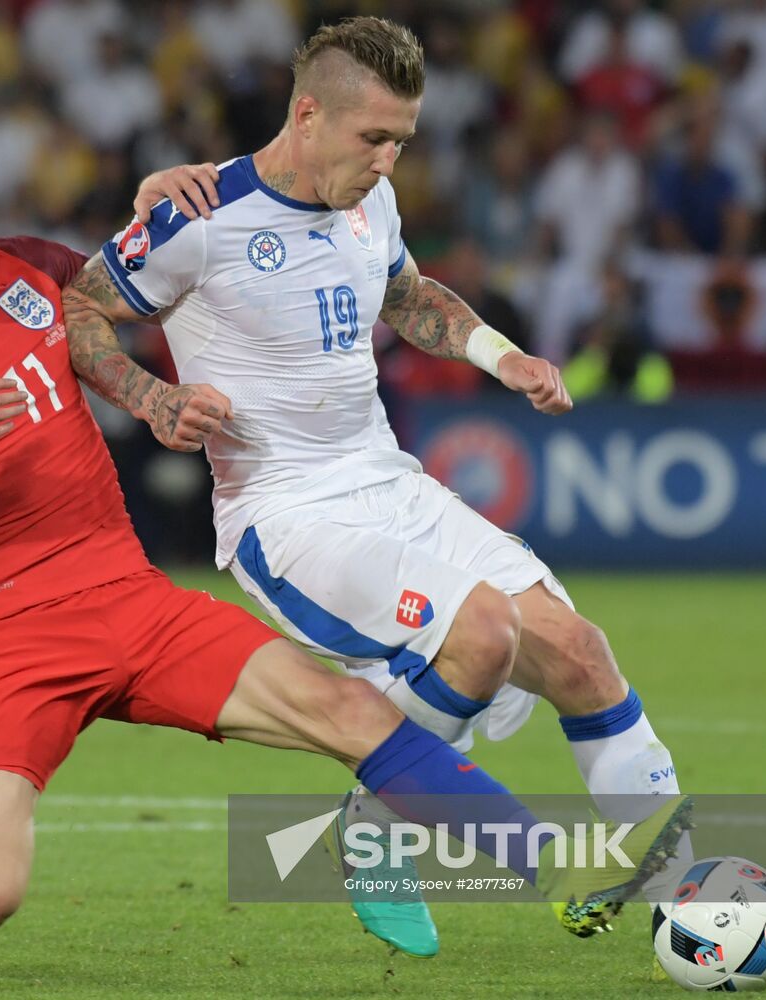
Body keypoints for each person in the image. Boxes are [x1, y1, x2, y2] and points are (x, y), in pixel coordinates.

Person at [0, 124, 689, 955]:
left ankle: (583, 879)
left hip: (135, 601)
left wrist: (152, 205)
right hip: (14, 639)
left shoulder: (27, 272)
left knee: (355, 716)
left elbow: (129, 280)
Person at [62, 16, 695, 963]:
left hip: (388, 479)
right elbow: (77, 307)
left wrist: (501, 354)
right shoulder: (198, 215)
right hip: (287, 512)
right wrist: (151, 396)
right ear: (308, 113)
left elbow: (405, 295)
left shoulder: (372, 200)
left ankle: (696, 905)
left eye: (403, 139)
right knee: (480, 630)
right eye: (374, 138)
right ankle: (374, 831)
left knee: (578, 651)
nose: (390, 159)